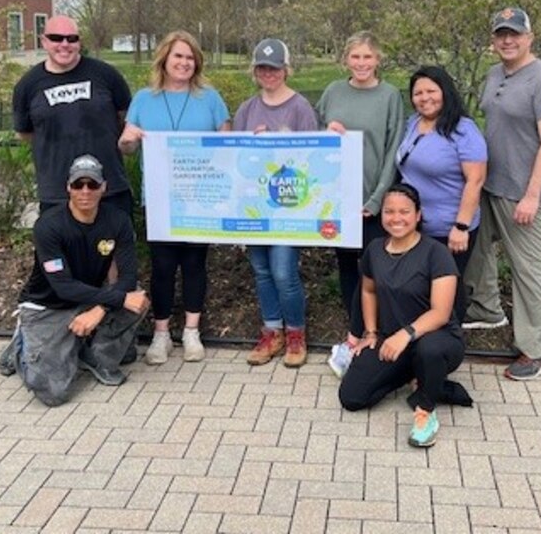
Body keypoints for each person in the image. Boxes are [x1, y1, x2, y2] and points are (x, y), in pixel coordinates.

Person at [462, 7, 541, 382]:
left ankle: (537, 351)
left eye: (514, 34)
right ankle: (487, 309)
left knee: (528, 268)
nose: (508, 40)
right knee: (475, 248)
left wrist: (532, 195)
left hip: (521, 192)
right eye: (501, 34)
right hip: (489, 183)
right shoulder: (494, 74)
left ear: (529, 37)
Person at [118, 31, 230, 365]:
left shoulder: (209, 98)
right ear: (164, 59)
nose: (184, 63)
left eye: (190, 57)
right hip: (160, 199)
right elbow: (126, 148)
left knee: (195, 263)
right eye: (178, 56)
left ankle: (191, 332)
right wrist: (127, 139)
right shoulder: (143, 98)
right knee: (163, 266)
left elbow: (227, 145)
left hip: (200, 197)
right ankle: (161, 334)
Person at [1, 154, 150, 407]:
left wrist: (100, 310)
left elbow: (127, 277)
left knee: (139, 299)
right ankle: (22, 346)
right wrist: (115, 299)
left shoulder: (118, 221)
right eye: (78, 185)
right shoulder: (48, 226)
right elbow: (63, 286)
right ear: (68, 188)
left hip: (89, 298)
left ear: (103, 187)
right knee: (52, 393)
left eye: (92, 185)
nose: (85, 191)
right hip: (47, 307)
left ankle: (95, 356)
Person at [338, 183, 468, 448]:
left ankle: (426, 409)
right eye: (389, 211)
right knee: (352, 397)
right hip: (393, 341)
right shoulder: (375, 249)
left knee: (428, 351)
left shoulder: (436, 253)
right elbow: (369, 291)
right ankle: (419, 378)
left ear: (418, 215)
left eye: (404, 211)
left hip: (437, 338)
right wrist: (372, 332)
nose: (396, 218)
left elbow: (441, 313)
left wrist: (404, 335)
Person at [317, 32, 405, 378]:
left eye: (368, 57)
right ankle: (355, 332)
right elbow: (312, 139)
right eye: (355, 57)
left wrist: (377, 199)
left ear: (378, 59)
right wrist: (327, 130)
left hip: (371, 201)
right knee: (347, 267)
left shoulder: (390, 96)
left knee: (375, 269)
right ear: (345, 60)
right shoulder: (332, 92)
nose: (362, 63)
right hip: (336, 199)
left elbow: (392, 150)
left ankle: (377, 330)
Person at [233, 38, 319, 368]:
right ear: (255, 71)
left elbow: (311, 158)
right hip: (255, 206)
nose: (269, 74)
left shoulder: (299, 108)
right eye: (262, 68)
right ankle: (272, 331)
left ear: (286, 69)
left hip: (288, 205)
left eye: (275, 68)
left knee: (284, 272)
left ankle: (296, 332)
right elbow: (236, 160)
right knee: (262, 271)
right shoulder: (246, 109)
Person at [12, 15, 133, 214]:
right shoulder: (28, 85)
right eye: (56, 38)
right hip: (57, 195)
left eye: (71, 39)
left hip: (109, 191)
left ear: (79, 41)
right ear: (44, 41)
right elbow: (25, 133)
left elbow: (126, 118)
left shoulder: (106, 75)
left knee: (115, 246)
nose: (64, 44)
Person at [394, 65, 487, 321]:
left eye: (431, 91)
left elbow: (476, 180)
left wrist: (461, 226)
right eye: (418, 93)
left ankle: (449, 343)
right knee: (418, 287)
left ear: (444, 91)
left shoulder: (463, 129)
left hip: (449, 229)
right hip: (415, 225)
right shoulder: (412, 123)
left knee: (446, 291)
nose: (425, 98)